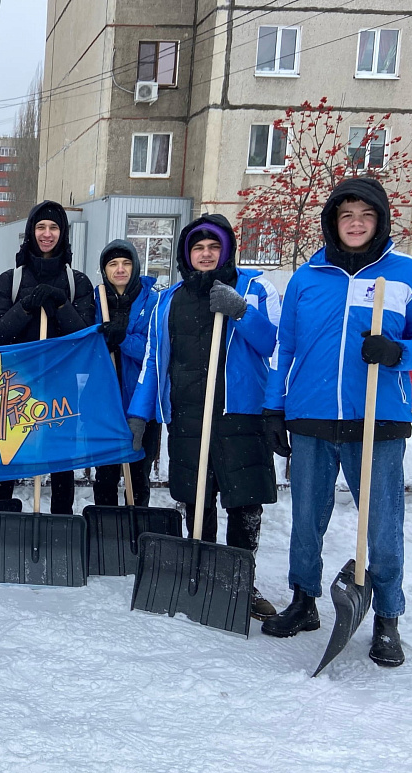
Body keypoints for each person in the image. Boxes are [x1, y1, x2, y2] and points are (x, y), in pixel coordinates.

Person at [260, 178, 412, 667]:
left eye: (366, 214)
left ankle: (387, 617)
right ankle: (303, 600)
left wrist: (398, 352)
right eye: (347, 215)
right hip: (311, 416)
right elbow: (285, 349)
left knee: (382, 525)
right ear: (333, 222)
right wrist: (274, 408)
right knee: (305, 518)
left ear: (379, 220)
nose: (356, 222)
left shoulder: (406, 274)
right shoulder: (307, 276)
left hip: (377, 420)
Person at [127, 214, 280, 620]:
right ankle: (203, 573)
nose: (207, 254)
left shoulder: (254, 287)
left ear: (227, 250)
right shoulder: (168, 299)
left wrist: (242, 312)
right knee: (195, 500)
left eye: (214, 247)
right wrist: (140, 414)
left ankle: (240, 582)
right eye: (198, 248)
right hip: (187, 415)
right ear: (187, 253)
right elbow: (153, 362)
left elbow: (275, 345)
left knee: (244, 502)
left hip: (239, 415)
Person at [0, 200, 95, 514]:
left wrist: (62, 305)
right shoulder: (10, 280)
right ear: (31, 232)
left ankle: (61, 524)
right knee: (8, 458)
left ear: (63, 233)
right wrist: (26, 306)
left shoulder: (78, 283)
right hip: (15, 386)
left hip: (60, 387)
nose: (47, 234)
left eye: (54, 227)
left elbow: (85, 338)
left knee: (61, 461)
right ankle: (2, 520)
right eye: (41, 226)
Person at [91, 240, 160, 507]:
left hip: (141, 402)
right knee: (105, 475)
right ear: (104, 270)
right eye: (113, 264)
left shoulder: (153, 301)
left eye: (126, 263)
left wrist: (122, 339)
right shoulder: (96, 300)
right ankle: (105, 532)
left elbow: (154, 349)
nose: (120, 269)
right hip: (106, 402)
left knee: (138, 473)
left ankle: (137, 528)